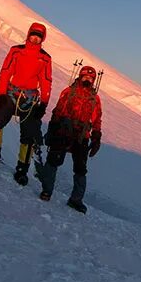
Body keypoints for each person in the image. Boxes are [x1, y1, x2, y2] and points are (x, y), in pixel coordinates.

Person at [0, 22, 52, 187]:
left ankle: (22, 170)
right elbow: (6, 72)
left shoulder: (45, 58)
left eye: (38, 36)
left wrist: (44, 104)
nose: (35, 39)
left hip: (30, 99)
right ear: (28, 34)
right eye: (33, 35)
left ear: (42, 39)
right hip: (12, 94)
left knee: (28, 136)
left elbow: (46, 81)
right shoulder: (16, 51)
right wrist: (1, 95)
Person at [37, 65, 102, 214]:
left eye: (91, 78)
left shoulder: (95, 99)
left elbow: (97, 119)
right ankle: (46, 191)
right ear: (80, 76)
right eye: (85, 76)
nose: (88, 80)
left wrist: (96, 136)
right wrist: (52, 129)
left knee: (80, 169)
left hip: (82, 137)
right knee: (53, 161)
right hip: (63, 132)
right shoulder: (68, 92)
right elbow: (58, 110)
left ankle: (76, 200)